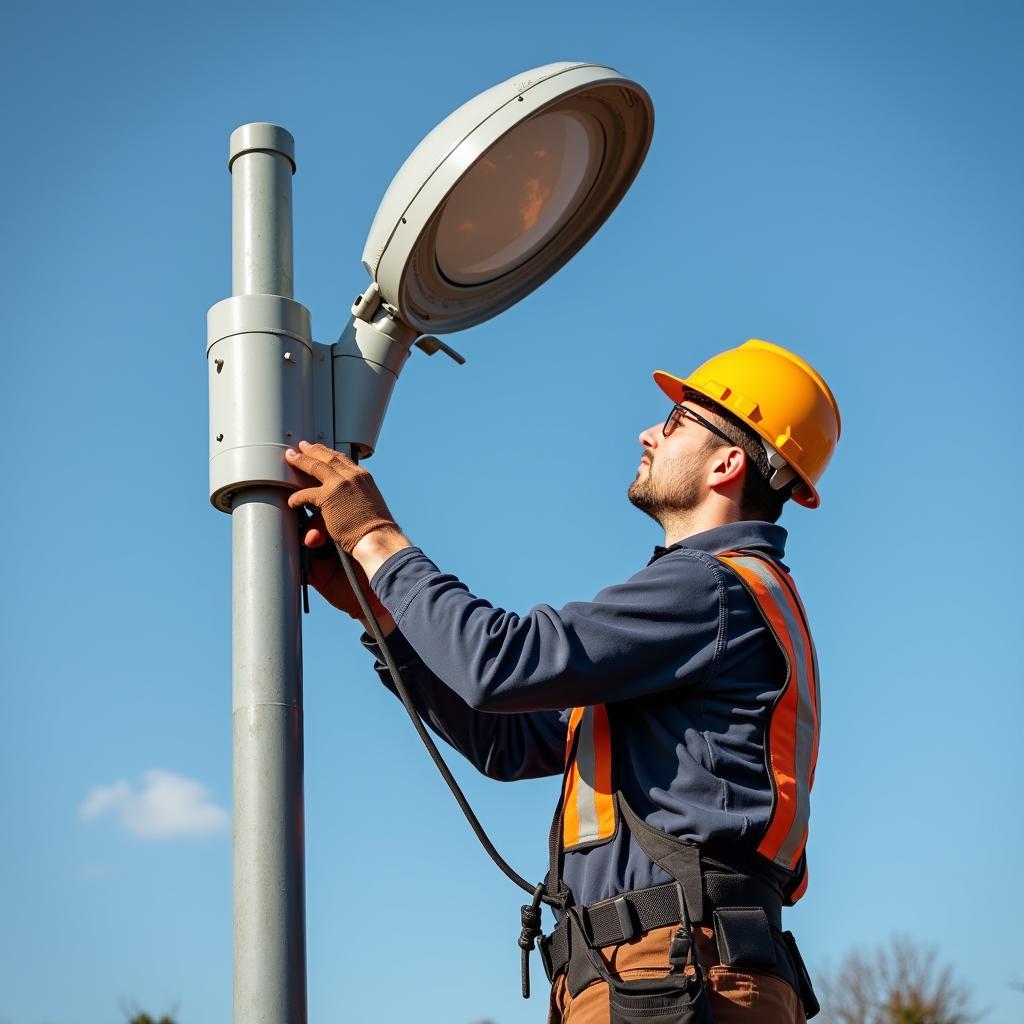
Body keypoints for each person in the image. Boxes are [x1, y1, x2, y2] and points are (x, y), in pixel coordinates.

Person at [284, 338, 841, 1023]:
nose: (647, 432)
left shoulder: (710, 589)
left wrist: (376, 539)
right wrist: (386, 619)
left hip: (676, 971)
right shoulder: (703, 612)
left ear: (728, 462)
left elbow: (499, 664)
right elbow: (509, 744)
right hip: (647, 974)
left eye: (673, 423)